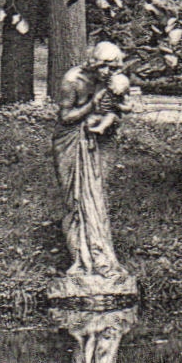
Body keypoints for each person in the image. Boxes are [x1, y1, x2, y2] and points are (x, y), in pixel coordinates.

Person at [53, 41, 131, 276]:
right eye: (104, 67)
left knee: (96, 199)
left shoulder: (112, 80)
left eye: (113, 68)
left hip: (99, 142)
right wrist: (91, 105)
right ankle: (79, 259)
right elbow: (65, 117)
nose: (108, 73)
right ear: (94, 63)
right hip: (71, 141)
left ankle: (102, 256)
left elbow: (120, 105)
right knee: (76, 201)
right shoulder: (73, 80)